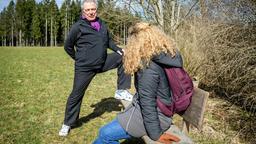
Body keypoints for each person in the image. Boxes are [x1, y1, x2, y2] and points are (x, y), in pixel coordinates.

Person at [93, 22, 184, 144]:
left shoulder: (148, 67)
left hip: (156, 116)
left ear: (136, 43)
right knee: (104, 133)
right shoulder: (164, 55)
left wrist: (156, 134)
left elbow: (148, 103)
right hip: (156, 110)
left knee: (104, 134)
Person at [59, 0, 132, 137]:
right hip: (85, 68)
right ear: (83, 11)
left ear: (96, 10)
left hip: (102, 62)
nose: (91, 12)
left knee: (124, 58)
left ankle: (121, 90)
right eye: (88, 10)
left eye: (93, 9)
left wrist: (118, 50)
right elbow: (67, 46)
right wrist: (78, 58)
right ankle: (67, 123)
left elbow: (108, 41)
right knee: (76, 95)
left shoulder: (101, 23)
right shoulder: (78, 27)